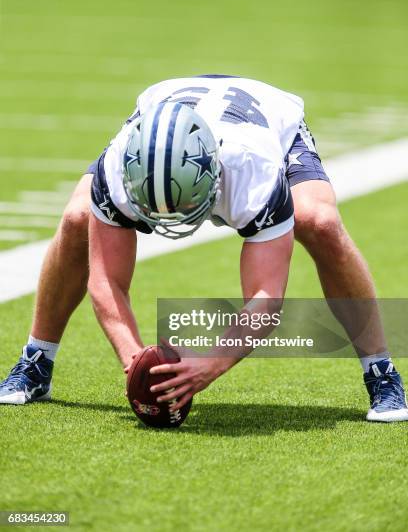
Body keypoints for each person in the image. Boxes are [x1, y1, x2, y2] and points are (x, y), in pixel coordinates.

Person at [0, 75, 407, 422]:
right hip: (165, 108)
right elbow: (106, 279)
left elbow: (265, 297)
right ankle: (36, 360)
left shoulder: (252, 169)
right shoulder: (118, 166)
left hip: (264, 120)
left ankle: (381, 370)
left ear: (212, 176)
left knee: (319, 222)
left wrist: (209, 364)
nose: (168, 216)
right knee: (76, 219)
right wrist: (134, 362)